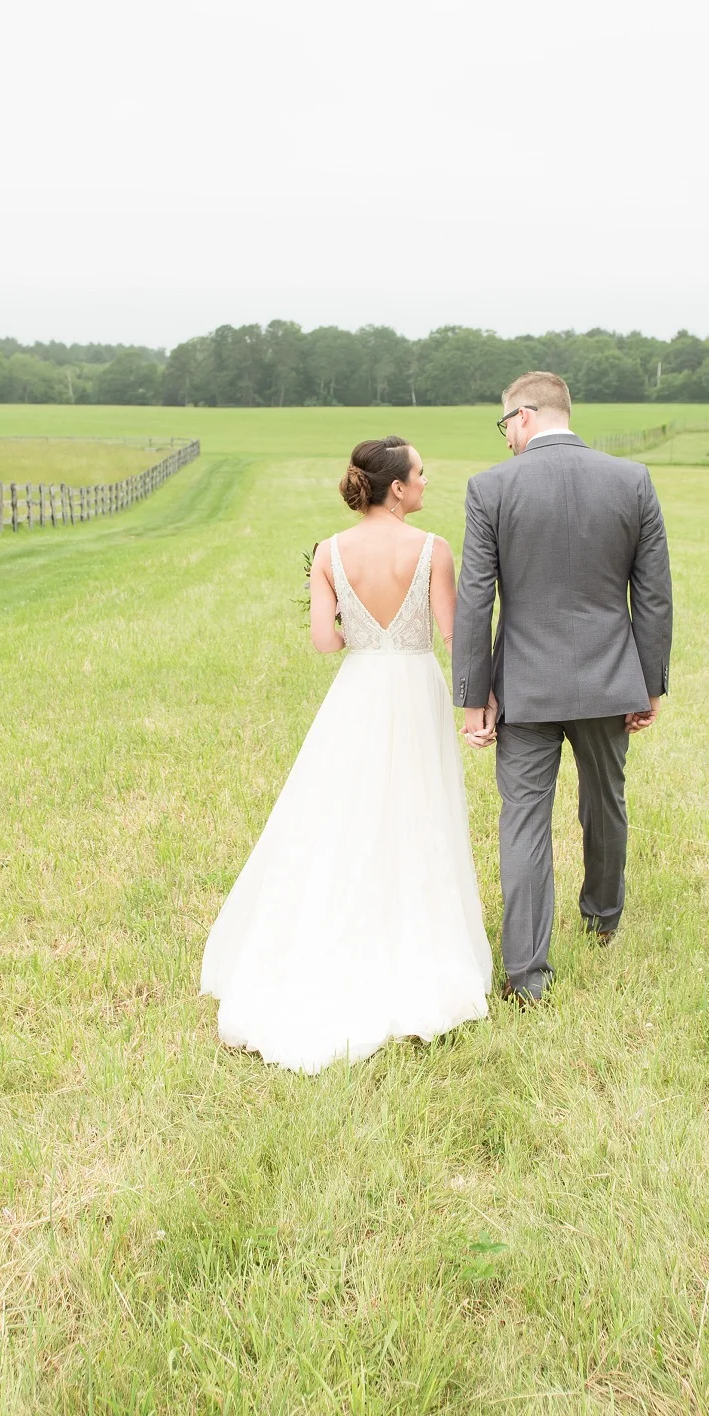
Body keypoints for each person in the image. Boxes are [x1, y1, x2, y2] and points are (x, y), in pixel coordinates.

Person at [199, 437, 494, 1072]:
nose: (425, 481)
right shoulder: (434, 550)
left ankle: (334, 936)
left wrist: (353, 618)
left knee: (344, 814)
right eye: (419, 474)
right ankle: (415, 940)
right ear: (397, 489)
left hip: (358, 693)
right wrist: (484, 696)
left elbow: (324, 642)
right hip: (415, 689)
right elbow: (451, 634)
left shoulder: (330, 551)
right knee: (418, 813)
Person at [452, 372, 671, 1004]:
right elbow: (652, 594)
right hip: (609, 681)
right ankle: (603, 919)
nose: (507, 440)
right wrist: (647, 683)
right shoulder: (632, 481)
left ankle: (526, 974)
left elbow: (476, 599)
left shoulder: (490, 489)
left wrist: (474, 696)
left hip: (524, 686)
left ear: (523, 416)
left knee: (523, 819)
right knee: (606, 801)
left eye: (505, 426)